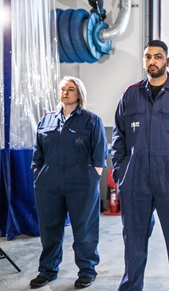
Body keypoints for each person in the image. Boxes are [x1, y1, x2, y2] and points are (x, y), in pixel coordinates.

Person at [112, 40, 169, 291]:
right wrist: (122, 172)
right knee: (133, 243)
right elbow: (118, 136)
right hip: (135, 179)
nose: (152, 61)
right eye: (148, 57)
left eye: (158, 56)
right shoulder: (131, 94)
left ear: (167, 61)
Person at [30, 76, 107, 289]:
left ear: (79, 94)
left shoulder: (91, 120)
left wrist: (94, 176)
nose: (65, 92)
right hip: (49, 184)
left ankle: (87, 271)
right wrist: (38, 172)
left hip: (81, 183)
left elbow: (100, 154)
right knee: (49, 230)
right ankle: (47, 270)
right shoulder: (46, 119)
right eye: (63, 89)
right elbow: (38, 152)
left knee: (84, 230)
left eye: (70, 89)